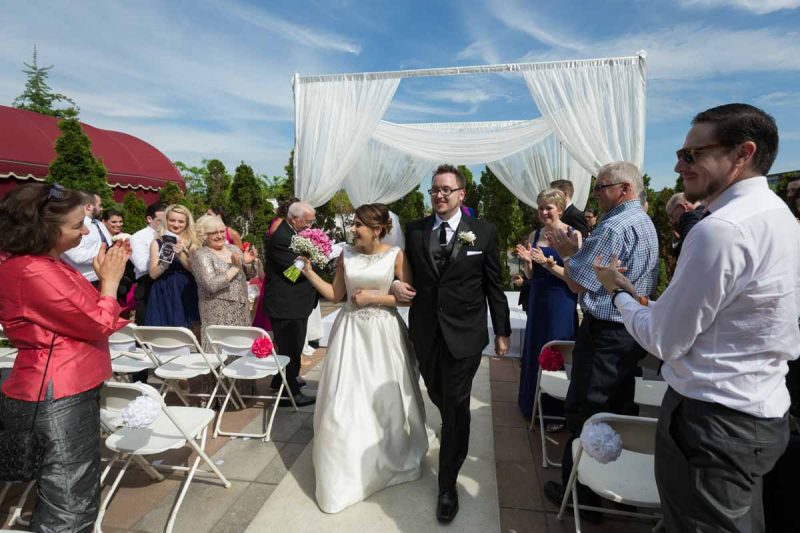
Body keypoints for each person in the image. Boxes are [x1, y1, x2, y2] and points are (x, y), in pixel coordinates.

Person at [593, 103, 798, 532]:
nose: (679, 164)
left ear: (743, 153)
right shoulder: (780, 216)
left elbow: (665, 340)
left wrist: (618, 293)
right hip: (759, 410)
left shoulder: (720, 229)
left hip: (712, 421)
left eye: (692, 154)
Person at [0, 183, 130, 531]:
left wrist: (102, 282)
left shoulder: (43, 263)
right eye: (76, 226)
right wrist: (110, 284)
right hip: (59, 393)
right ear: (43, 228)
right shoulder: (33, 270)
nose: (86, 230)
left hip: (63, 387)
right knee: (70, 504)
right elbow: (96, 322)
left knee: (69, 490)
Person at [393, 164, 511, 523]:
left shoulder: (484, 232)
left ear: (462, 194)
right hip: (426, 333)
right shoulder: (414, 231)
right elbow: (392, 267)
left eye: (446, 189)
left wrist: (502, 330)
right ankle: (451, 423)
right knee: (437, 393)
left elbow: (494, 284)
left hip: (466, 335)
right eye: (434, 190)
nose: (439, 195)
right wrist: (392, 285)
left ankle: (447, 486)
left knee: (457, 404)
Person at [543, 161, 659, 517]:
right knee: (618, 406)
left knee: (588, 412)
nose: (595, 194)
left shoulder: (614, 226)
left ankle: (586, 496)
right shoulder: (643, 221)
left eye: (601, 187)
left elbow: (578, 282)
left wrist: (566, 255)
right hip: (630, 330)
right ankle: (615, 483)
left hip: (607, 332)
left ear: (624, 189)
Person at [297, 204, 427, 513]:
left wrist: (375, 298)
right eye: (353, 224)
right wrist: (310, 271)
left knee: (386, 399)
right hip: (350, 334)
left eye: (359, 225)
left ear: (378, 228)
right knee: (343, 402)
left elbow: (409, 298)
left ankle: (389, 456)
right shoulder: (346, 255)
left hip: (384, 335)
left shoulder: (395, 255)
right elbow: (335, 294)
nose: (353, 229)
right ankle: (344, 471)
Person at [514, 189, 580, 420]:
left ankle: (553, 411)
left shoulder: (573, 235)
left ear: (560, 209)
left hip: (561, 299)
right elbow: (532, 277)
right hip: (538, 298)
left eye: (548, 207)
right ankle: (530, 403)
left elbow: (576, 278)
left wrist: (549, 264)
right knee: (534, 348)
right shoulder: (533, 235)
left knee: (555, 349)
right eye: (540, 207)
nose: (543, 212)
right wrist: (527, 264)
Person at [262, 201, 318, 407]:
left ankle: (281, 380)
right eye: (308, 222)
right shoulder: (282, 238)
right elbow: (292, 273)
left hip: (296, 303)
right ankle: (290, 393)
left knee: (292, 346)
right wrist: (313, 257)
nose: (310, 226)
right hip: (286, 305)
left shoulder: (293, 234)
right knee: (290, 348)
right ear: (294, 218)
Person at [192, 215, 259, 350]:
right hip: (217, 312)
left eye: (222, 231)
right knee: (220, 352)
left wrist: (248, 263)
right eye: (213, 233)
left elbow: (250, 275)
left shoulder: (233, 249)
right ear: (204, 235)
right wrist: (235, 268)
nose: (219, 235)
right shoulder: (201, 255)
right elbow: (211, 284)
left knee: (241, 350)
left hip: (241, 310)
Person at [145, 204, 201, 328]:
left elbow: (195, 271)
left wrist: (180, 255)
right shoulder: (157, 242)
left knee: (187, 329)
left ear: (187, 223)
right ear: (166, 220)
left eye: (181, 221)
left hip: (186, 289)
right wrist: (164, 263)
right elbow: (153, 274)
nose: (176, 225)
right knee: (162, 330)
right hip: (163, 289)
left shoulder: (193, 243)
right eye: (172, 220)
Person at [61, 190, 111, 287]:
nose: (101, 209)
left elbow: (107, 244)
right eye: (99, 205)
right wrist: (109, 255)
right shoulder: (72, 226)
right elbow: (78, 257)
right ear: (89, 206)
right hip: (84, 281)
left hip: (104, 277)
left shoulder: (99, 224)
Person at [130, 202, 165, 325]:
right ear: (149, 219)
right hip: (147, 284)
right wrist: (161, 255)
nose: (164, 225)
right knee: (147, 326)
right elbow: (141, 264)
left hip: (167, 283)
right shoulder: (138, 237)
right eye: (160, 221)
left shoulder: (170, 236)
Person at [665, 192, 704, 259]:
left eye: (674, 217)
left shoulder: (691, 218)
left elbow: (685, 250)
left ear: (682, 207)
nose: (674, 222)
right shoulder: (708, 212)